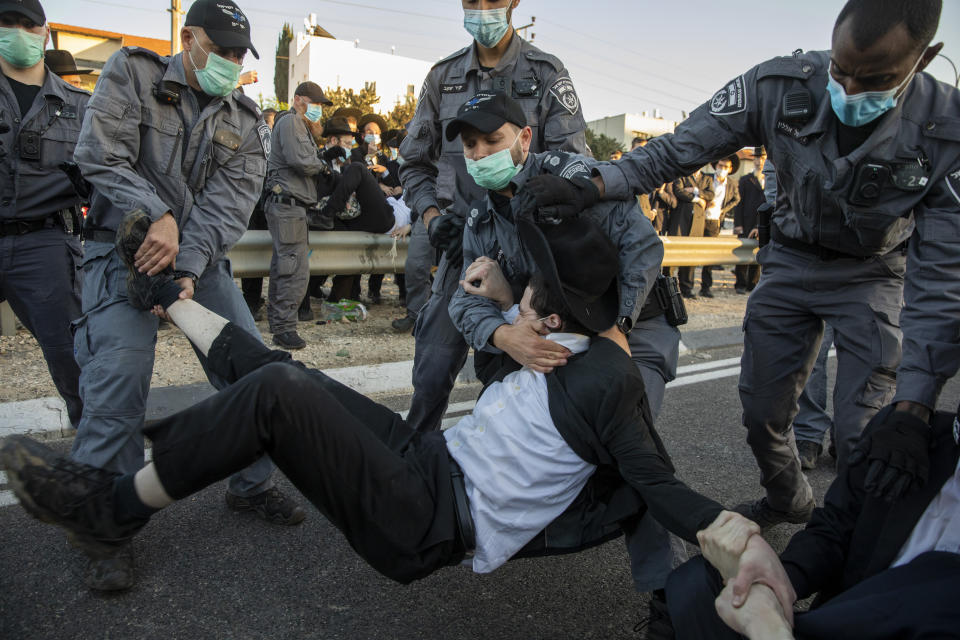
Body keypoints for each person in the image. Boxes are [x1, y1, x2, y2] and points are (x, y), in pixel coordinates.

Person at [0, 208, 755, 601]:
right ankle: (166, 298)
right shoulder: (542, 339)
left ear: (555, 312)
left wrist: (734, 535)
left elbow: (654, 482)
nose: (520, 286)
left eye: (533, 284)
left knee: (278, 393)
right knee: (277, 370)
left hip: (426, 521)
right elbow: (540, 324)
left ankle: (110, 509)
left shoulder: (606, 381)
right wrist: (502, 302)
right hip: (425, 462)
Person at [521, 0, 959, 529]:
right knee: (762, 413)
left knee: (867, 427)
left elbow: (941, 281)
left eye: (877, 79)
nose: (849, 92)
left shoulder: (945, 131)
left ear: (926, 56)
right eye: (841, 72)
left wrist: (915, 406)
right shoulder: (778, 86)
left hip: (873, 274)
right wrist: (588, 187)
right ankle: (788, 500)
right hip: (790, 263)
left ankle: (843, 541)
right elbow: (677, 151)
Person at [70, 0, 305, 591]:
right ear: (188, 36)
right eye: (220, 48)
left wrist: (187, 268)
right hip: (117, 248)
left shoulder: (247, 119)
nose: (228, 62)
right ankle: (106, 526)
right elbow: (100, 153)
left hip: (197, 260)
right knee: (120, 382)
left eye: (236, 54)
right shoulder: (132, 72)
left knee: (255, 375)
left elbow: (229, 204)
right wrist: (161, 214)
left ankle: (251, 486)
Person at [445, 90, 685, 594]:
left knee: (630, 445)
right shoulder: (481, 218)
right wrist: (506, 334)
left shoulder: (573, 180)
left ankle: (672, 591)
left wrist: (618, 329)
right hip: (554, 335)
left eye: (493, 140)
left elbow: (641, 246)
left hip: (632, 326)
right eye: (470, 146)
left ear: (524, 138)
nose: (481, 155)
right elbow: (464, 300)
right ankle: (491, 524)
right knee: (512, 432)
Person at [399, 0, 587, 433]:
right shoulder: (442, 78)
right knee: (431, 373)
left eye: (493, 1)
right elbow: (413, 164)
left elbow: (572, 167)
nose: (482, 9)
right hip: (462, 249)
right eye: (472, 2)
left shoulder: (545, 73)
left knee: (523, 375)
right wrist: (432, 217)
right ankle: (413, 471)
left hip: (532, 256)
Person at [657, 402, 960, 639]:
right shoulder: (908, 432)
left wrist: (768, 629)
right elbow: (835, 529)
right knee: (695, 581)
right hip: (834, 621)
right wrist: (774, 581)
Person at [0, 0, 88, 432]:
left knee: (75, 360)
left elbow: (104, 176)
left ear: (45, 32)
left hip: (44, 244)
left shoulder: (79, 106)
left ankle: (101, 465)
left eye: (27, 24)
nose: (18, 31)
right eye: (7, 23)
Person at [264, 81, 334, 350]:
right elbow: (302, 161)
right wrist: (323, 167)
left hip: (292, 205)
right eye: (313, 103)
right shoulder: (291, 122)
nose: (317, 109)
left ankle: (280, 324)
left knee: (287, 266)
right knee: (293, 269)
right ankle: (284, 328)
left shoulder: (299, 125)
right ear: (298, 100)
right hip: (287, 204)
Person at [241, 106, 278, 321]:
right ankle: (252, 300)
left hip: (274, 204)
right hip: (254, 205)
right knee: (254, 251)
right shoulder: (251, 144)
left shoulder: (281, 148)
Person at [697, 155, 740, 298]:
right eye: (720, 165)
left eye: (725, 167)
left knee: (709, 256)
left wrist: (723, 210)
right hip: (699, 218)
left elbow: (736, 199)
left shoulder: (732, 184)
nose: (722, 169)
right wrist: (704, 200)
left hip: (715, 221)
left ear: (730, 169)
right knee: (693, 252)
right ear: (715, 165)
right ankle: (686, 285)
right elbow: (698, 190)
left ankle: (705, 287)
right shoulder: (706, 178)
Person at [669, 170, 713, 298]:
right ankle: (668, 286)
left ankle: (687, 287)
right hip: (680, 219)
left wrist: (695, 190)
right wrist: (697, 199)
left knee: (691, 254)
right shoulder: (682, 175)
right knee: (673, 253)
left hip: (698, 221)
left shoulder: (707, 179)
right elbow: (678, 191)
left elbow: (711, 195)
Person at [733, 146, 765, 294]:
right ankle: (740, 282)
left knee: (757, 254)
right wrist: (738, 224)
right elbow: (739, 204)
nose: (760, 161)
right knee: (742, 253)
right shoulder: (746, 179)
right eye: (757, 158)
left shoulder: (771, 181)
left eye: (763, 158)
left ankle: (753, 283)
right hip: (746, 221)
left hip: (762, 223)